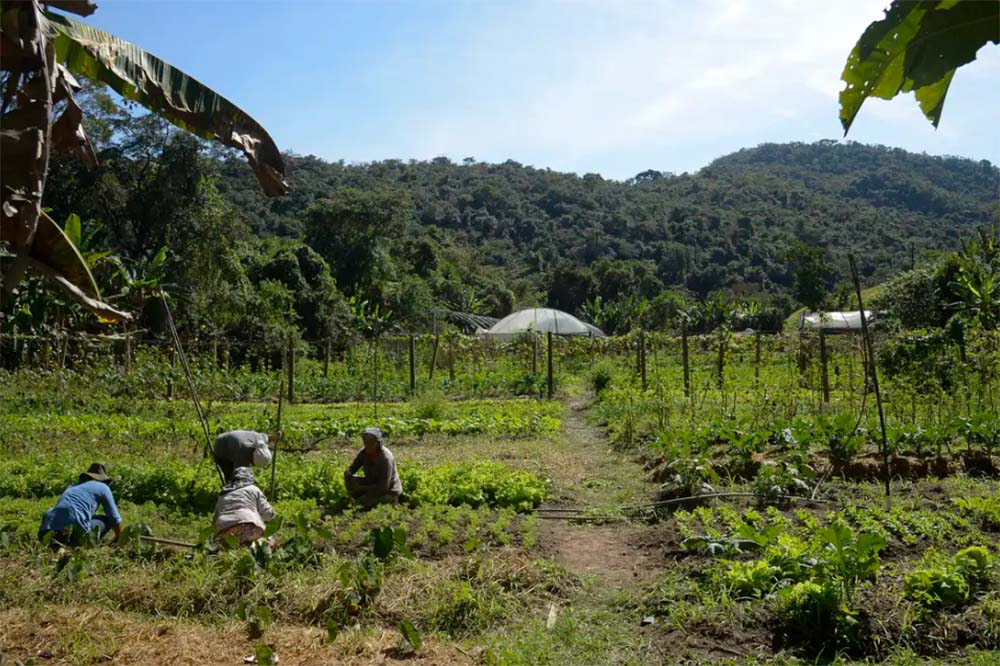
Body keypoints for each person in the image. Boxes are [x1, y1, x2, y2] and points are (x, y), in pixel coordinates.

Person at [38, 463, 123, 546]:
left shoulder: (72, 487)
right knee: (106, 520)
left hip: (46, 531)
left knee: (53, 511)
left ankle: (57, 544)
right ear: (103, 480)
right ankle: (78, 542)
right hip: (74, 532)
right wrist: (119, 538)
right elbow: (114, 517)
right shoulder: (103, 487)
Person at [213, 466, 275, 546]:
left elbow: (215, 520)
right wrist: (272, 519)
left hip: (224, 531)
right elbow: (268, 513)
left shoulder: (223, 495)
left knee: (228, 546)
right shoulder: (253, 489)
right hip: (248, 525)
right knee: (268, 539)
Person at [344, 427, 403, 509]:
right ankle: (363, 497)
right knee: (351, 481)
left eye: (371, 442)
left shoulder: (386, 459)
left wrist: (361, 488)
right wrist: (349, 473)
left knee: (360, 504)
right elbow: (354, 467)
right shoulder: (364, 453)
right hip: (372, 483)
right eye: (366, 442)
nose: (368, 445)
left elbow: (383, 487)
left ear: (378, 444)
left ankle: (391, 502)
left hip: (388, 491)